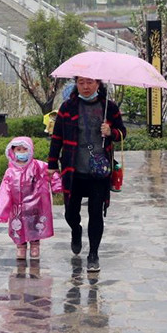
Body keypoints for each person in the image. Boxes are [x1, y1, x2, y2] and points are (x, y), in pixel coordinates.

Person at [46, 76, 127, 272]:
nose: (86, 86)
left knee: (96, 213)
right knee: (70, 212)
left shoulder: (110, 107)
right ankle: (76, 230)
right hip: (73, 169)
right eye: (81, 82)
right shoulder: (68, 107)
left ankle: (93, 254)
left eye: (90, 82)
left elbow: (123, 132)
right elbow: (57, 137)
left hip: (99, 171)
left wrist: (111, 132)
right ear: (76, 84)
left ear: (98, 83)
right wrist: (52, 163)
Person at [0, 136, 63, 261]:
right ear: (12, 152)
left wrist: (57, 186)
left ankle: (35, 246)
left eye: (25, 149)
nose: (22, 152)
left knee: (35, 226)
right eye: (18, 149)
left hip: (36, 206)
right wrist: (0, 212)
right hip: (17, 207)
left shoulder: (38, 166)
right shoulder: (10, 172)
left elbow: (52, 173)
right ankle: (21, 247)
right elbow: (4, 191)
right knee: (18, 228)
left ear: (30, 150)